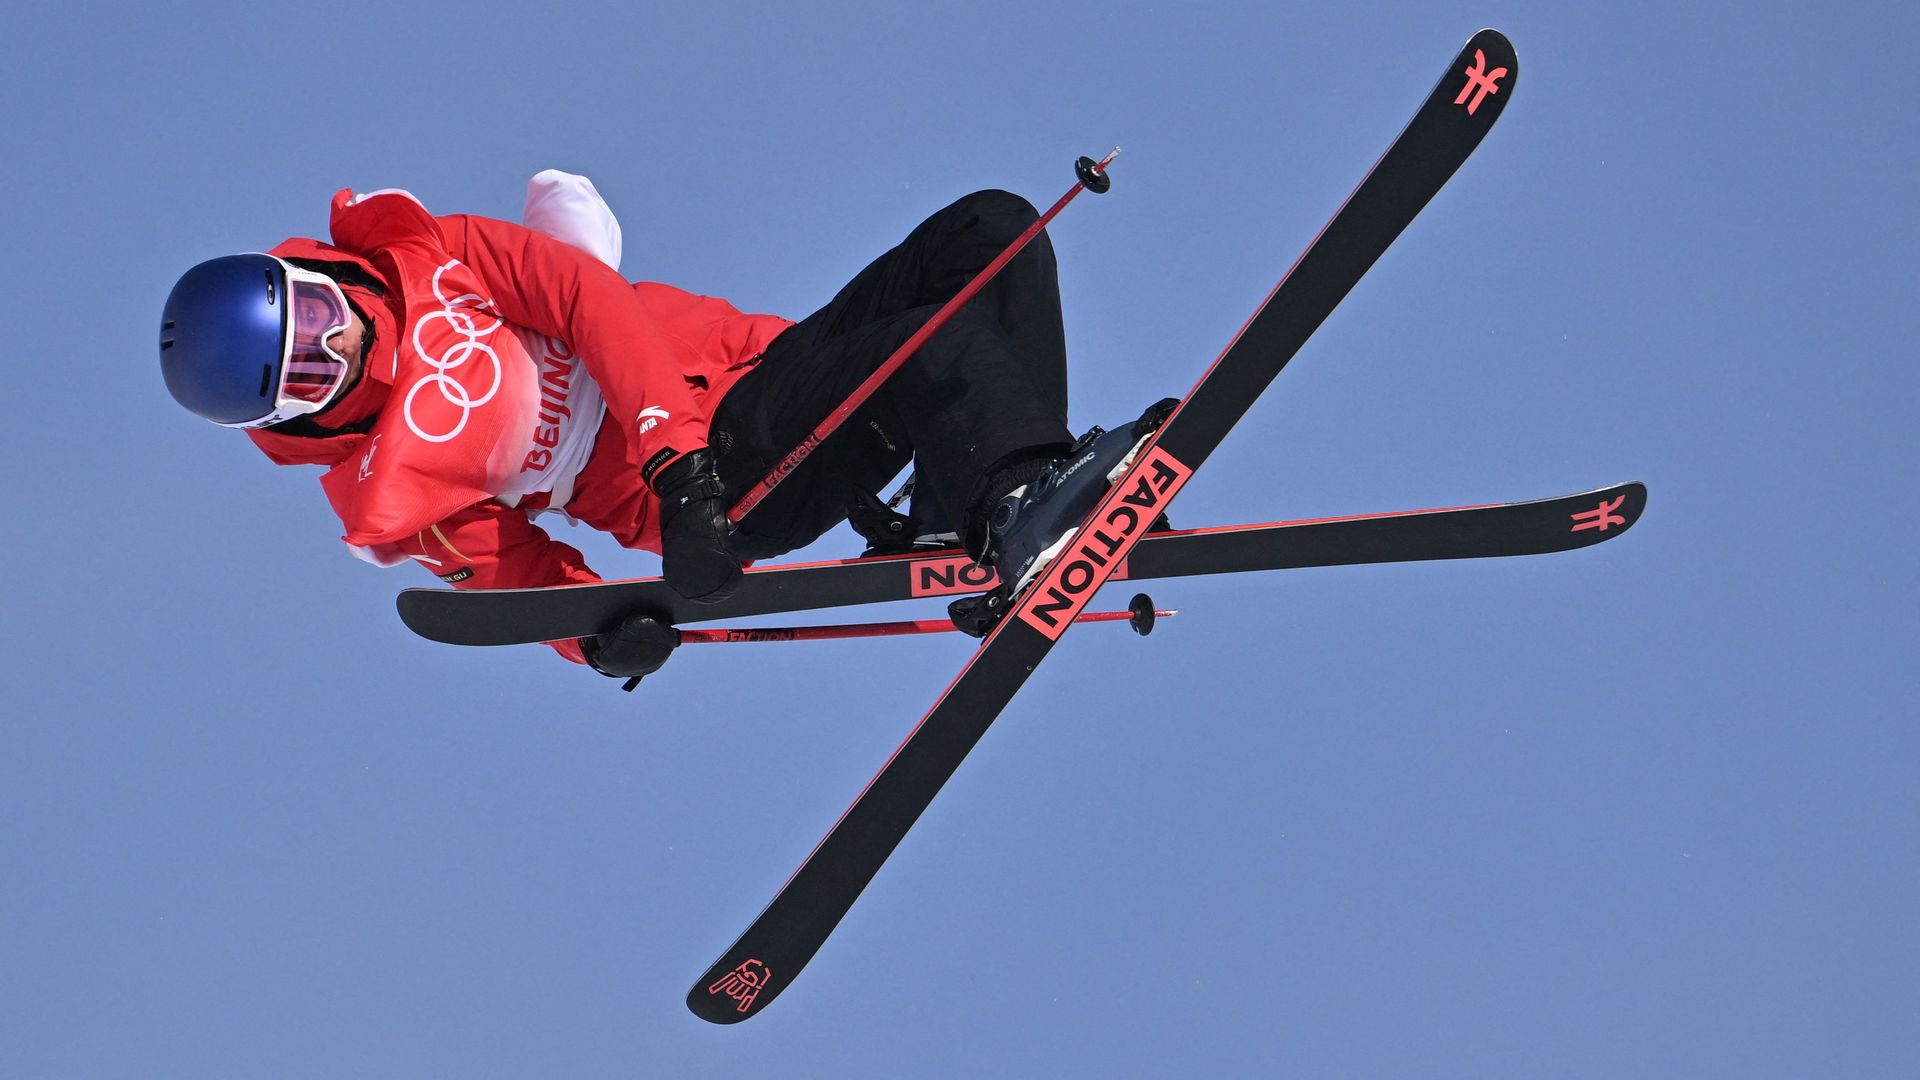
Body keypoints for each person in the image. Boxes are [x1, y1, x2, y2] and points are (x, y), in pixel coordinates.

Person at [159, 171, 1166, 682]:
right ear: (289, 417)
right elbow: (519, 573)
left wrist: (673, 459)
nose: (334, 355)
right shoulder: (396, 489)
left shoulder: (444, 257)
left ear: (317, 275)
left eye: (320, 320)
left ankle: (985, 513)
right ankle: (1025, 507)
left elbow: (588, 302)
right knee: (930, 345)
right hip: (736, 483)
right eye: (302, 375)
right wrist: (598, 640)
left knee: (992, 234)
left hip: (755, 385)